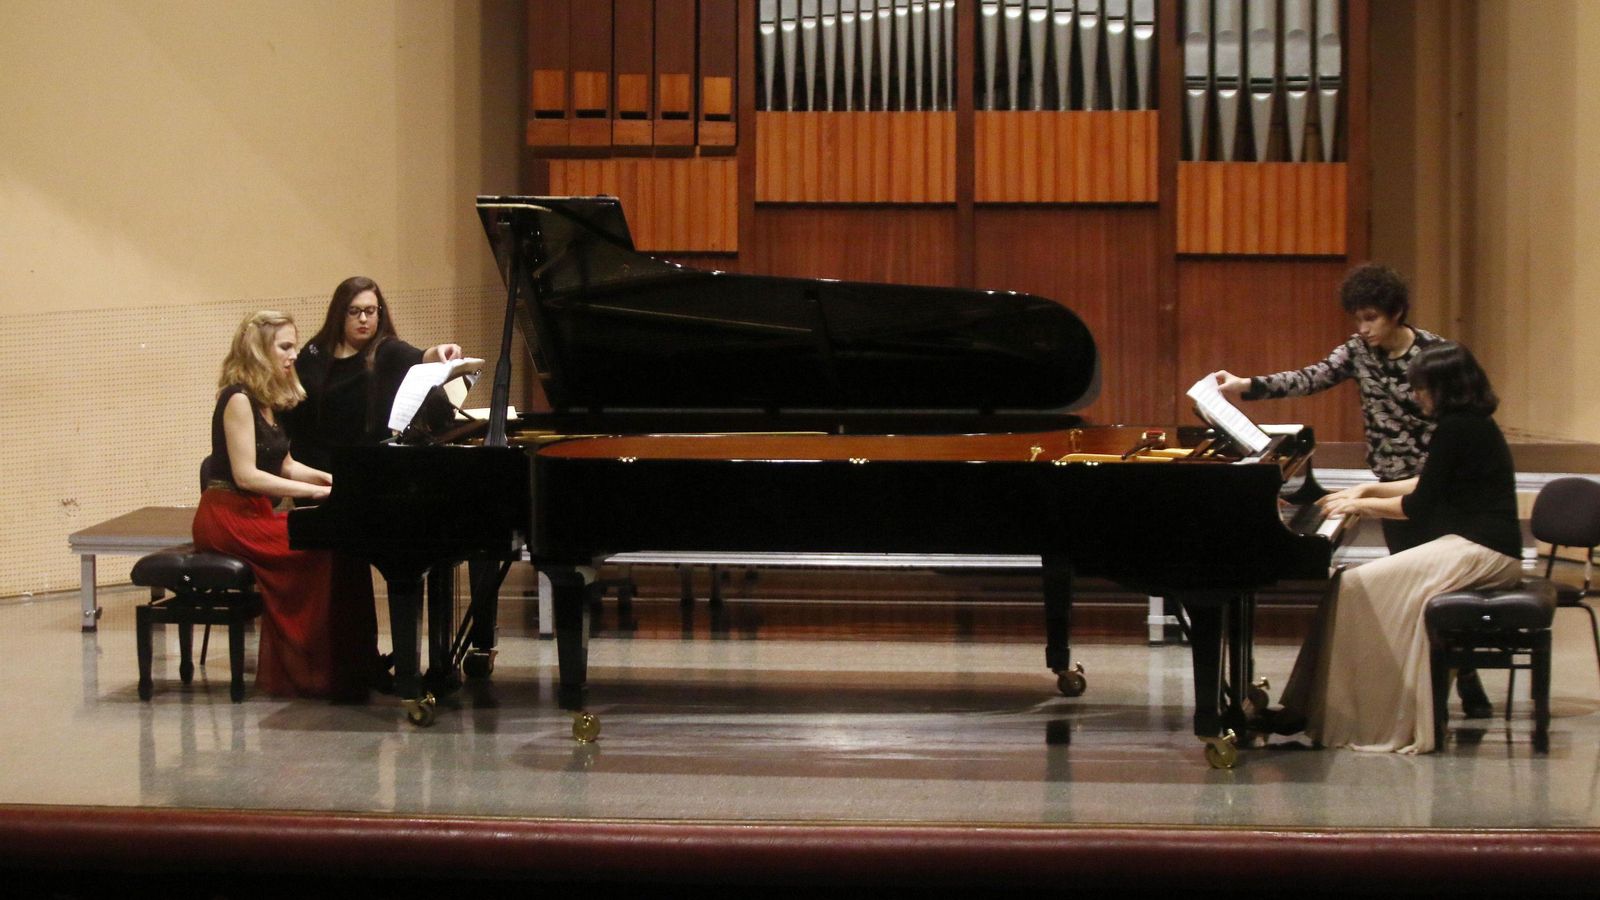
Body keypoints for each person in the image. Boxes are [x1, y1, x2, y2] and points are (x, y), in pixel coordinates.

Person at [1208, 263, 1494, 716]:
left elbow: (1464, 418)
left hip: (1435, 487)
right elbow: (1310, 377)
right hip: (1388, 486)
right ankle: (1428, 686)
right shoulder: (1357, 352)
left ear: (1397, 312)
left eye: (1372, 318)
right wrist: (1247, 386)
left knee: (1439, 590)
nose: (1364, 328)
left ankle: (1466, 679)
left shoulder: (1435, 354)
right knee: (1413, 589)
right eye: (1358, 318)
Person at [1266, 342, 1523, 753]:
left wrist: (1362, 505)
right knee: (1345, 585)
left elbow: (1418, 506)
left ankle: (1358, 718)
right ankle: (1306, 707)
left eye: (1422, 387)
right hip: (1477, 545)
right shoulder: (1467, 424)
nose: (1416, 395)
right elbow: (1427, 482)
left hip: (1484, 551)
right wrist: (1365, 488)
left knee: (1354, 586)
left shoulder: (1460, 428)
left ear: (1446, 387)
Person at [191, 310, 381, 700]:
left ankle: (358, 664)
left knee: (346, 547)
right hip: (227, 517)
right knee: (321, 550)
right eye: (286, 346)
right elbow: (246, 477)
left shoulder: (265, 401)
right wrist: (319, 494)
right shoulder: (237, 400)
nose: (295, 354)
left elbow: (286, 465)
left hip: (254, 513)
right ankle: (313, 670)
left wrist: (336, 479)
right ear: (260, 350)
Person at [282, 276, 462, 473]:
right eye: (354, 311)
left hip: (366, 467)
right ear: (339, 314)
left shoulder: (387, 351)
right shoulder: (316, 351)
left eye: (370, 311)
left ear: (379, 313)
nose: (363, 319)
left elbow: (422, 356)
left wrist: (440, 351)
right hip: (315, 466)